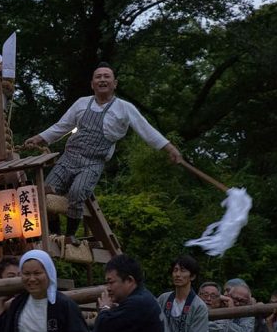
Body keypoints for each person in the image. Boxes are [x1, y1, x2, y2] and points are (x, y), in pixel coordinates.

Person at [24, 63, 182, 241]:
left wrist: (169, 148)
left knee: (77, 193)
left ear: (115, 83)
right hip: (69, 158)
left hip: (92, 163)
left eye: (107, 76)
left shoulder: (125, 108)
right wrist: (39, 138)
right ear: (92, 84)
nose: (102, 80)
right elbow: (62, 126)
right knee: (45, 192)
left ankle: (70, 235)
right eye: (98, 77)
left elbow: (147, 130)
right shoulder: (81, 103)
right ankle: (55, 235)